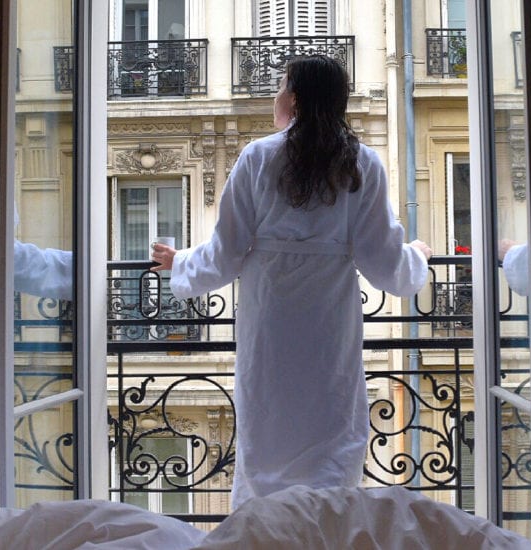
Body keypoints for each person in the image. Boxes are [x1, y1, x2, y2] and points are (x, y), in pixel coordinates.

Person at [151, 55, 433, 509]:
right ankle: (322, 528)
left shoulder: (259, 157)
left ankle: (264, 531)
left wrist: (181, 262)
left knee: (268, 431)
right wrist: (416, 260)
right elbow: (383, 263)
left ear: (295, 98)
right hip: (328, 322)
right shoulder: (363, 163)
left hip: (270, 321)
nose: (275, 96)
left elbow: (225, 252)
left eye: (281, 86)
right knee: (331, 427)